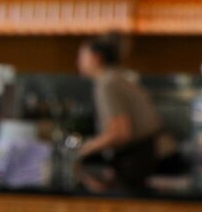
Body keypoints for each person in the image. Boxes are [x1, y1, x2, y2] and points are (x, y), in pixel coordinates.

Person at [73, 36, 174, 190]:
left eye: (81, 56)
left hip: (147, 159)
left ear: (96, 58)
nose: (77, 61)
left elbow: (120, 133)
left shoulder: (107, 83)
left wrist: (82, 150)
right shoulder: (117, 77)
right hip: (154, 155)